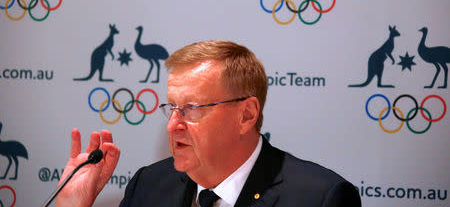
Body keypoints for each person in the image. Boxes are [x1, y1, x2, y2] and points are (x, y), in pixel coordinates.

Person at [55, 40, 361, 207]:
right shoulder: (149, 185)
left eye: (191, 108)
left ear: (246, 116)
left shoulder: (321, 198)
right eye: (171, 108)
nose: (172, 125)